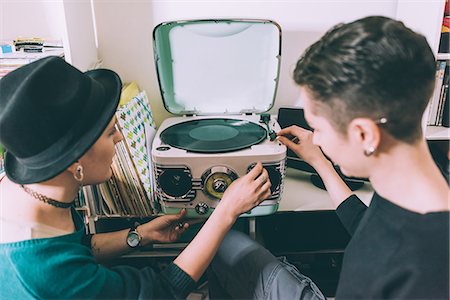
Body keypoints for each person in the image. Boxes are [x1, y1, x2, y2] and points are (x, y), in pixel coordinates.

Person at [208, 16, 450, 299]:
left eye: (319, 128)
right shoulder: (415, 183)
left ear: (364, 135)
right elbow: (368, 225)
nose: (316, 139)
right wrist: (319, 161)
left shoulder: (403, 267)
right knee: (223, 245)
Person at [0, 56, 272, 299]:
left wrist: (140, 234)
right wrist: (226, 211)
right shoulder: (44, 272)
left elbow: (79, 248)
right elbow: (162, 292)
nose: (120, 138)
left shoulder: (28, 189)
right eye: (110, 133)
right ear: (75, 160)